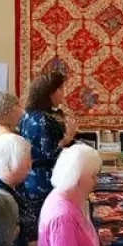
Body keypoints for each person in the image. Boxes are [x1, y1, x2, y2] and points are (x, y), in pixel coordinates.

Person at [18, 71, 77, 210]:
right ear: (50, 93)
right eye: (60, 89)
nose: (63, 93)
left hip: (28, 177)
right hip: (44, 180)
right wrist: (68, 138)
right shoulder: (44, 120)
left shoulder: (27, 115)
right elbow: (50, 155)